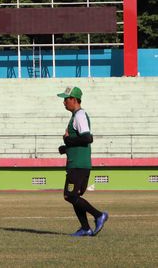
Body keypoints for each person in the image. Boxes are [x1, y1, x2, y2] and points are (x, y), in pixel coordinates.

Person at [57, 86, 109, 236]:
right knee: (74, 197)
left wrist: (68, 140)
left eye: (66, 99)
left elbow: (87, 138)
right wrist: (66, 147)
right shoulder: (76, 115)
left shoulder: (79, 115)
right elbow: (80, 141)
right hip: (79, 163)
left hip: (78, 165)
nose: (64, 103)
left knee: (70, 196)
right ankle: (85, 228)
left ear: (74, 100)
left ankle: (99, 215)